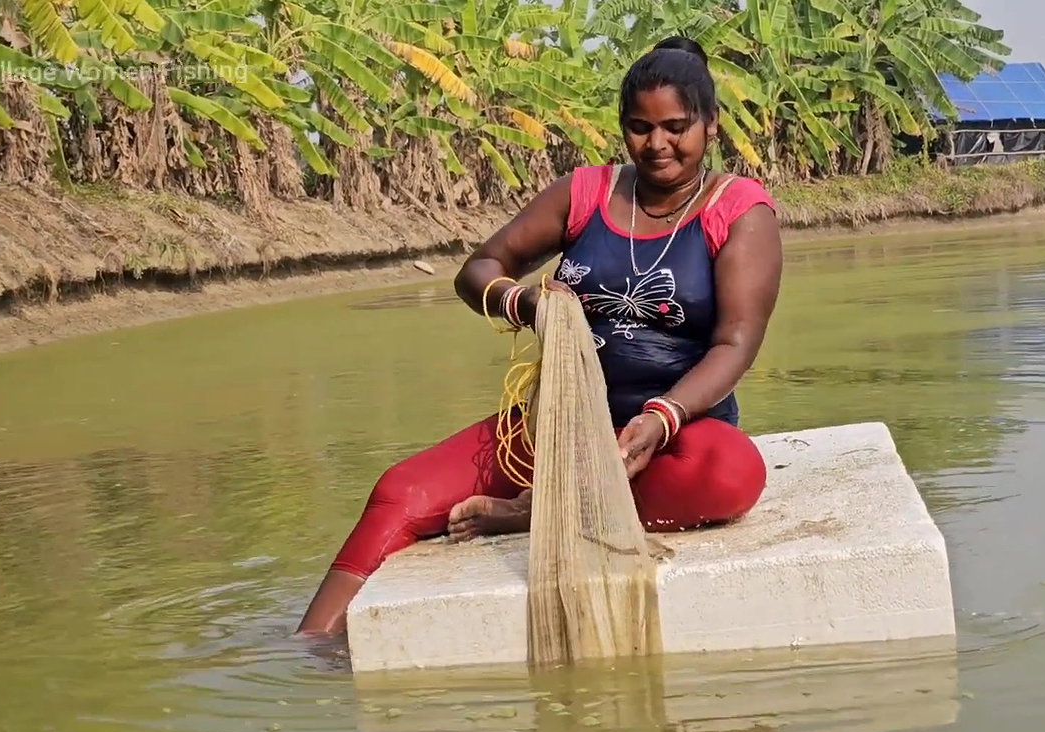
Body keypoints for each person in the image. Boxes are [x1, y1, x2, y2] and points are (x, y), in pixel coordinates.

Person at [296, 36, 784, 635]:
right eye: (639, 127)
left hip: (667, 439)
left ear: (711, 125)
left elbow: (736, 343)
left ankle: (536, 513)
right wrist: (526, 303)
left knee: (733, 474)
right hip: (556, 426)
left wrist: (660, 418)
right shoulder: (586, 194)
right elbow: (478, 269)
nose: (657, 144)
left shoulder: (737, 211)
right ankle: (309, 651)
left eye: (676, 127)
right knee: (400, 491)